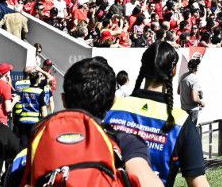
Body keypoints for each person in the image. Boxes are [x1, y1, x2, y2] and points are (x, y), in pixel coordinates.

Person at [9, 58, 162, 187]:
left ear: (64, 100)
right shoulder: (126, 143)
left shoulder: (34, 144)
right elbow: (148, 182)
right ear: (111, 103)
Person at [105, 42, 208, 187]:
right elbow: (199, 183)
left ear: (143, 67)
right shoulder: (181, 121)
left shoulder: (114, 109)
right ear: (173, 71)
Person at [12, 72, 48, 147]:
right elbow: (44, 110)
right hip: (35, 122)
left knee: (23, 144)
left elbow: (19, 104)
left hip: (23, 121)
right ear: (38, 80)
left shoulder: (24, 90)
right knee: (33, 144)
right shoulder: (40, 92)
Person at [178, 58, 203, 127]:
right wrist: (201, 103)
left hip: (184, 108)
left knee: (184, 130)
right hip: (192, 110)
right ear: (196, 68)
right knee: (191, 131)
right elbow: (194, 99)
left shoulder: (183, 76)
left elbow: (178, 91)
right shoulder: (194, 79)